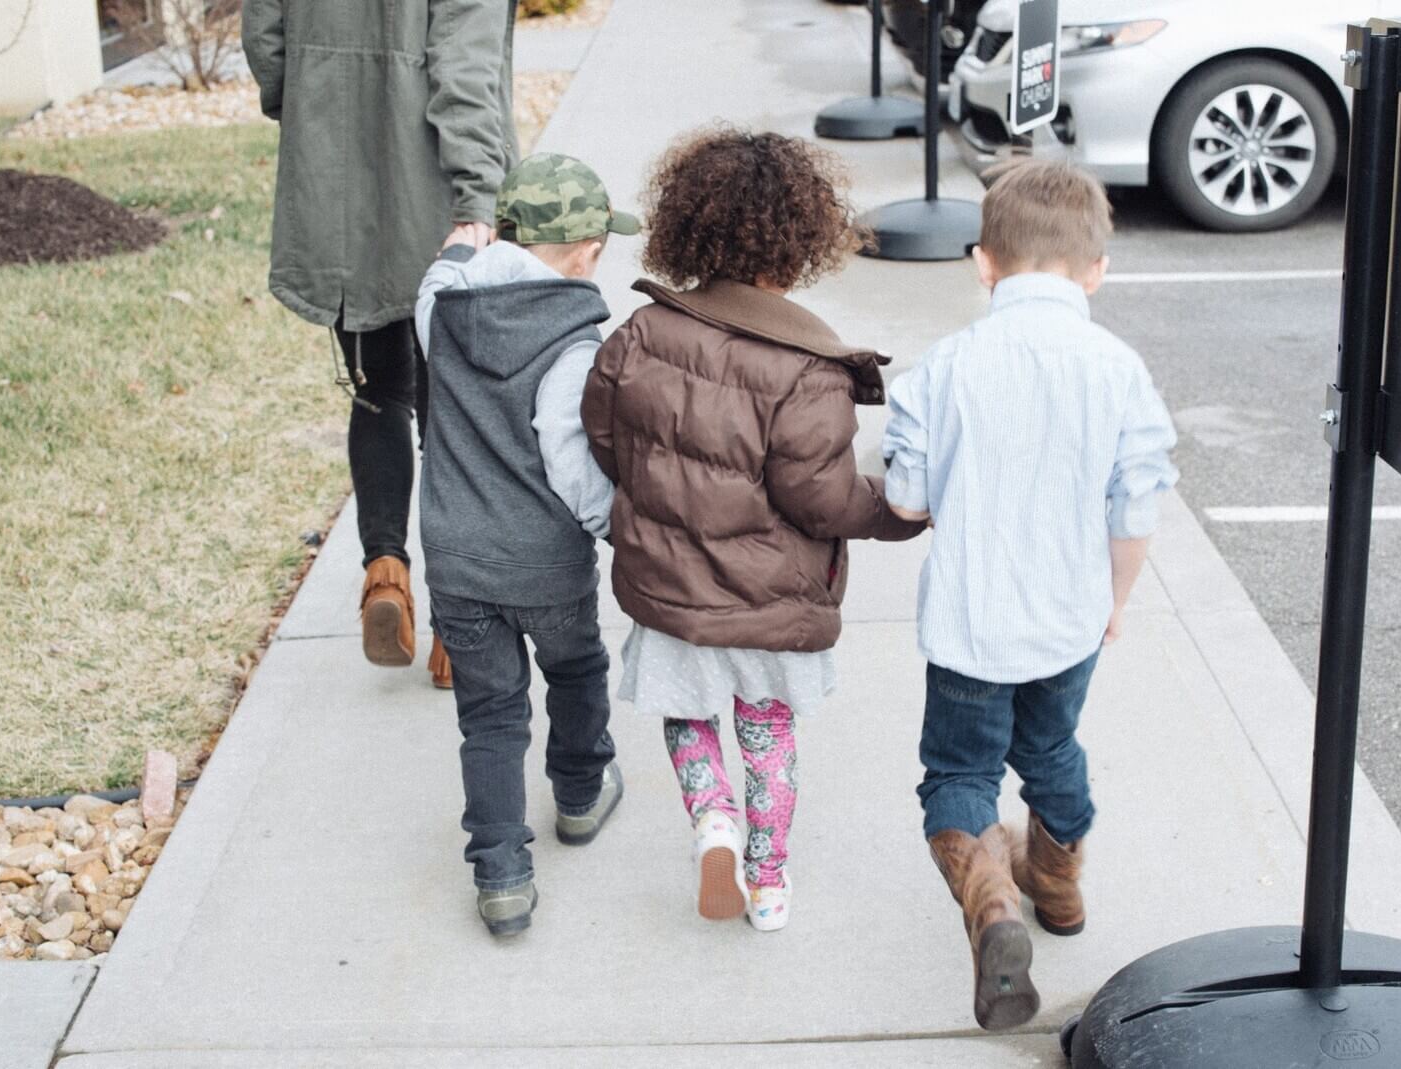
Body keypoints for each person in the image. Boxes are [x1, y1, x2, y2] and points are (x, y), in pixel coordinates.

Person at [581, 128, 926, 933]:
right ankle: (767, 881)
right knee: (766, 730)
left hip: (671, 589)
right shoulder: (808, 370)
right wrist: (897, 513)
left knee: (688, 714)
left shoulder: (639, 335)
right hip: (770, 600)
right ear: (800, 243)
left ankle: (714, 822)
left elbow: (605, 441)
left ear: (688, 229)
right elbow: (823, 500)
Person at [881, 160, 1179, 1030]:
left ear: (983, 263)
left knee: (961, 770)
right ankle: (1058, 883)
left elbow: (906, 499)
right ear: (1097, 269)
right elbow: (1135, 507)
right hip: (1067, 615)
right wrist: (1114, 599)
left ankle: (992, 904)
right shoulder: (1118, 369)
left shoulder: (945, 366)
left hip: (969, 621)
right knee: (1050, 744)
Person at [242, 0, 519, 689]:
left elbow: (266, 35)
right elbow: (465, 66)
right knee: (453, 412)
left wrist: (310, 103)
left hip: (333, 184)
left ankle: (384, 574)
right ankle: (460, 621)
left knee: (378, 392)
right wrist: (478, 197)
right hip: (438, 193)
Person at [413, 154, 640, 936]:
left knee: (490, 713)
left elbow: (434, 279)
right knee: (575, 666)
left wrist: (460, 244)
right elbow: (569, 462)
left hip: (456, 558)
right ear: (585, 252)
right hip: (545, 561)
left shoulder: (443, 311)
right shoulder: (574, 343)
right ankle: (579, 794)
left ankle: (502, 875)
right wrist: (618, 531)